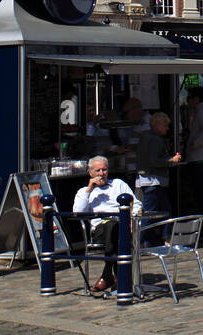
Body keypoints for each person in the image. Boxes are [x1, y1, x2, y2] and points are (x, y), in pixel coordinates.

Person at [72, 156, 142, 292]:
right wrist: (89, 189)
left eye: (104, 170)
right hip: (100, 230)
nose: (101, 173)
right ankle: (117, 277)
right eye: (97, 170)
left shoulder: (118, 184)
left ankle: (108, 274)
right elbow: (77, 213)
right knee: (112, 225)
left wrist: (132, 218)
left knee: (116, 227)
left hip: (123, 226)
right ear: (90, 173)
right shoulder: (83, 192)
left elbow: (137, 204)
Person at [135, 111, 178, 235]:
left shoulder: (145, 137)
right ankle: (143, 241)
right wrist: (171, 160)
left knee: (158, 211)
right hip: (153, 181)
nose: (167, 128)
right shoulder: (156, 139)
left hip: (146, 179)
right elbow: (154, 160)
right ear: (158, 125)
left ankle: (158, 238)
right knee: (153, 212)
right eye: (165, 125)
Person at [183, 87, 203, 246]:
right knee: (201, 198)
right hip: (197, 158)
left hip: (201, 159)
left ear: (196, 99)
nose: (187, 101)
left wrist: (195, 144)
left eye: (189, 97)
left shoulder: (202, 111)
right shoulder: (198, 111)